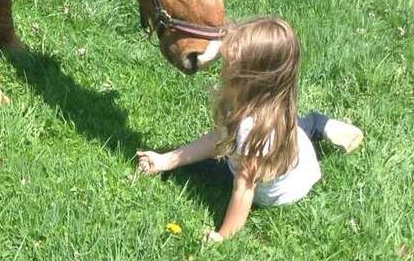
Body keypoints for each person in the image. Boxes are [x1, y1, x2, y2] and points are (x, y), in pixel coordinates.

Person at [137, 17, 363, 242]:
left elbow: (244, 189)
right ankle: (321, 124)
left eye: (230, 65)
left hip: (284, 192)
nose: (223, 69)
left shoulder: (252, 130)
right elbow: (220, 138)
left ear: (252, 77)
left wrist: (222, 236)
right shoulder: (267, 101)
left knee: (207, 168)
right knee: (303, 125)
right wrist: (167, 159)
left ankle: (319, 124)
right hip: (298, 148)